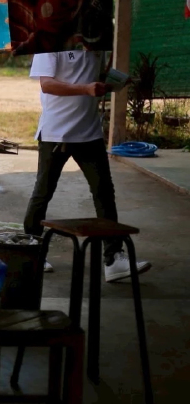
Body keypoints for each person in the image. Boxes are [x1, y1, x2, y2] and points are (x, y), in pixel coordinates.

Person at [23, 51, 151, 281]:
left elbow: (96, 77)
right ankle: (31, 250)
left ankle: (113, 259)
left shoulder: (96, 47)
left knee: (104, 192)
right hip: (57, 133)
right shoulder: (51, 44)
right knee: (43, 191)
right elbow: (47, 84)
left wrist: (116, 81)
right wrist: (85, 89)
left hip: (89, 133)